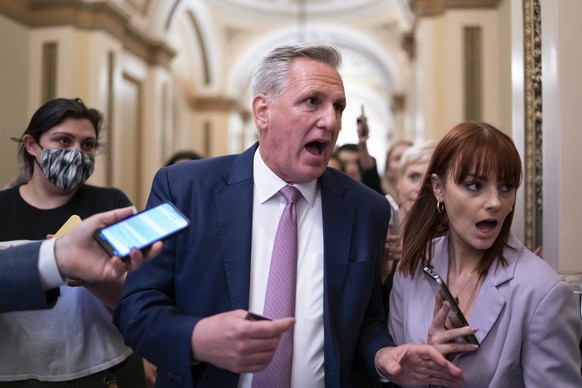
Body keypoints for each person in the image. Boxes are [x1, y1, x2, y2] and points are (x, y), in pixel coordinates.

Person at [114, 44, 465, 387]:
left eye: (338, 107)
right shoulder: (184, 189)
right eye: (312, 101)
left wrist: (383, 356)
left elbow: (366, 321)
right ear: (262, 111)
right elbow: (135, 309)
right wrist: (196, 338)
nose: (331, 121)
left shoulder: (366, 208)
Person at [388, 122, 582, 387]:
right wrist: (423, 366)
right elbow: (396, 373)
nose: (495, 202)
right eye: (474, 186)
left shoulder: (542, 291)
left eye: (506, 187)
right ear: (438, 187)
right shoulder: (412, 268)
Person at [0, 98, 147, 386]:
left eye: (88, 145)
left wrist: (92, 277)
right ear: (32, 145)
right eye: (64, 141)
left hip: (106, 370)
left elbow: (136, 301)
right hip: (13, 373)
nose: (77, 153)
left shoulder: (112, 205)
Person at [0, 206, 162, 313]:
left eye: (87, 150)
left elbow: (132, 299)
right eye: (65, 150)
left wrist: (87, 277)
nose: (76, 153)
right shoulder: (6, 207)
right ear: (31, 150)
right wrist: (60, 256)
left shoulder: (110, 201)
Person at [382, 141, 436, 312]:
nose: (421, 188)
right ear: (398, 181)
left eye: (429, 180)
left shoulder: (453, 238)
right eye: (414, 177)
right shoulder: (380, 229)